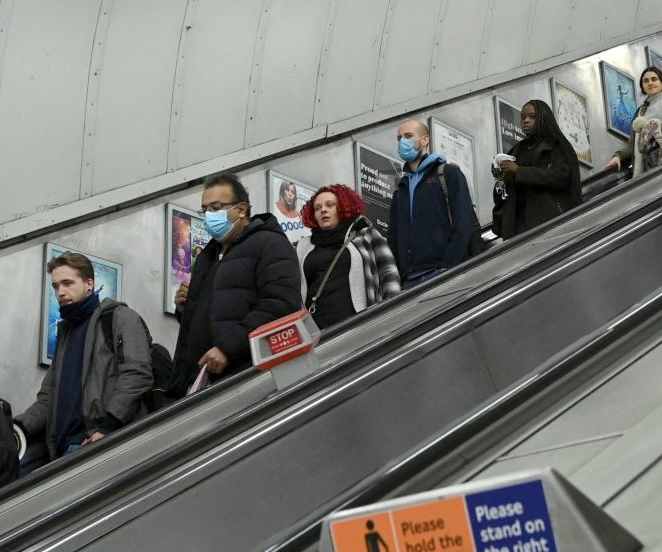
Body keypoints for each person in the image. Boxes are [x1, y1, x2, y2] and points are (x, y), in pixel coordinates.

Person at [16, 252, 153, 468]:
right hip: (60, 451)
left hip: (95, 443)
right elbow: (49, 396)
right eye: (55, 286)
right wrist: (20, 426)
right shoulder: (66, 333)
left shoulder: (119, 318)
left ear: (89, 284)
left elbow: (137, 375)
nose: (60, 292)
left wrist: (107, 428)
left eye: (68, 283)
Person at [169, 172, 302, 395]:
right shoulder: (208, 255)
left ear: (241, 210)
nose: (209, 216)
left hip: (246, 378)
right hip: (200, 381)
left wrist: (229, 348)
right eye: (205, 210)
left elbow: (281, 304)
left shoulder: (270, 243)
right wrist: (185, 308)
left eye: (216, 207)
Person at [388, 118, 478, 288]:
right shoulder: (401, 189)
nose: (402, 142)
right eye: (399, 138)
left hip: (442, 273)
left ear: (425, 140)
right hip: (409, 281)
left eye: (408, 136)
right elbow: (393, 237)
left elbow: (463, 223)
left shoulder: (448, 174)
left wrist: (449, 267)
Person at [295, 184, 400, 329]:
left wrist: (393, 317)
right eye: (317, 208)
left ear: (343, 207)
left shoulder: (365, 235)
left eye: (330, 205)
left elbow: (389, 275)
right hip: (316, 329)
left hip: (358, 324)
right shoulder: (304, 245)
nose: (323, 210)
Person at [492, 100, 581, 239]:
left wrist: (518, 171)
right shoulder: (517, 149)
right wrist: (502, 176)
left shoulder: (556, 146)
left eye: (532, 117)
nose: (526, 121)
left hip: (545, 219)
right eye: (523, 117)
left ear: (543, 118)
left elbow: (560, 176)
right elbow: (506, 190)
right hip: (517, 220)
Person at [606, 66, 662, 178]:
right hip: (649, 165)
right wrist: (618, 156)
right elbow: (633, 145)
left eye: (654, 79)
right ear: (642, 86)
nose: (650, 83)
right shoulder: (640, 112)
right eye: (646, 81)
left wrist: (655, 129)